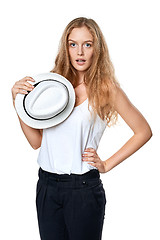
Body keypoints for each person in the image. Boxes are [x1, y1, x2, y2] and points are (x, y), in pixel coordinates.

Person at [11, 17, 152, 240]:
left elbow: (143, 131)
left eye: (87, 44)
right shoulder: (52, 84)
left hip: (83, 189)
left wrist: (106, 164)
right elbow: (36, 142)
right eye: (73, 44)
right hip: (47, 186)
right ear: (65, 47)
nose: (80, 52)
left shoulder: (106, 89)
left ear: (97, 48)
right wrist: (17, 102)